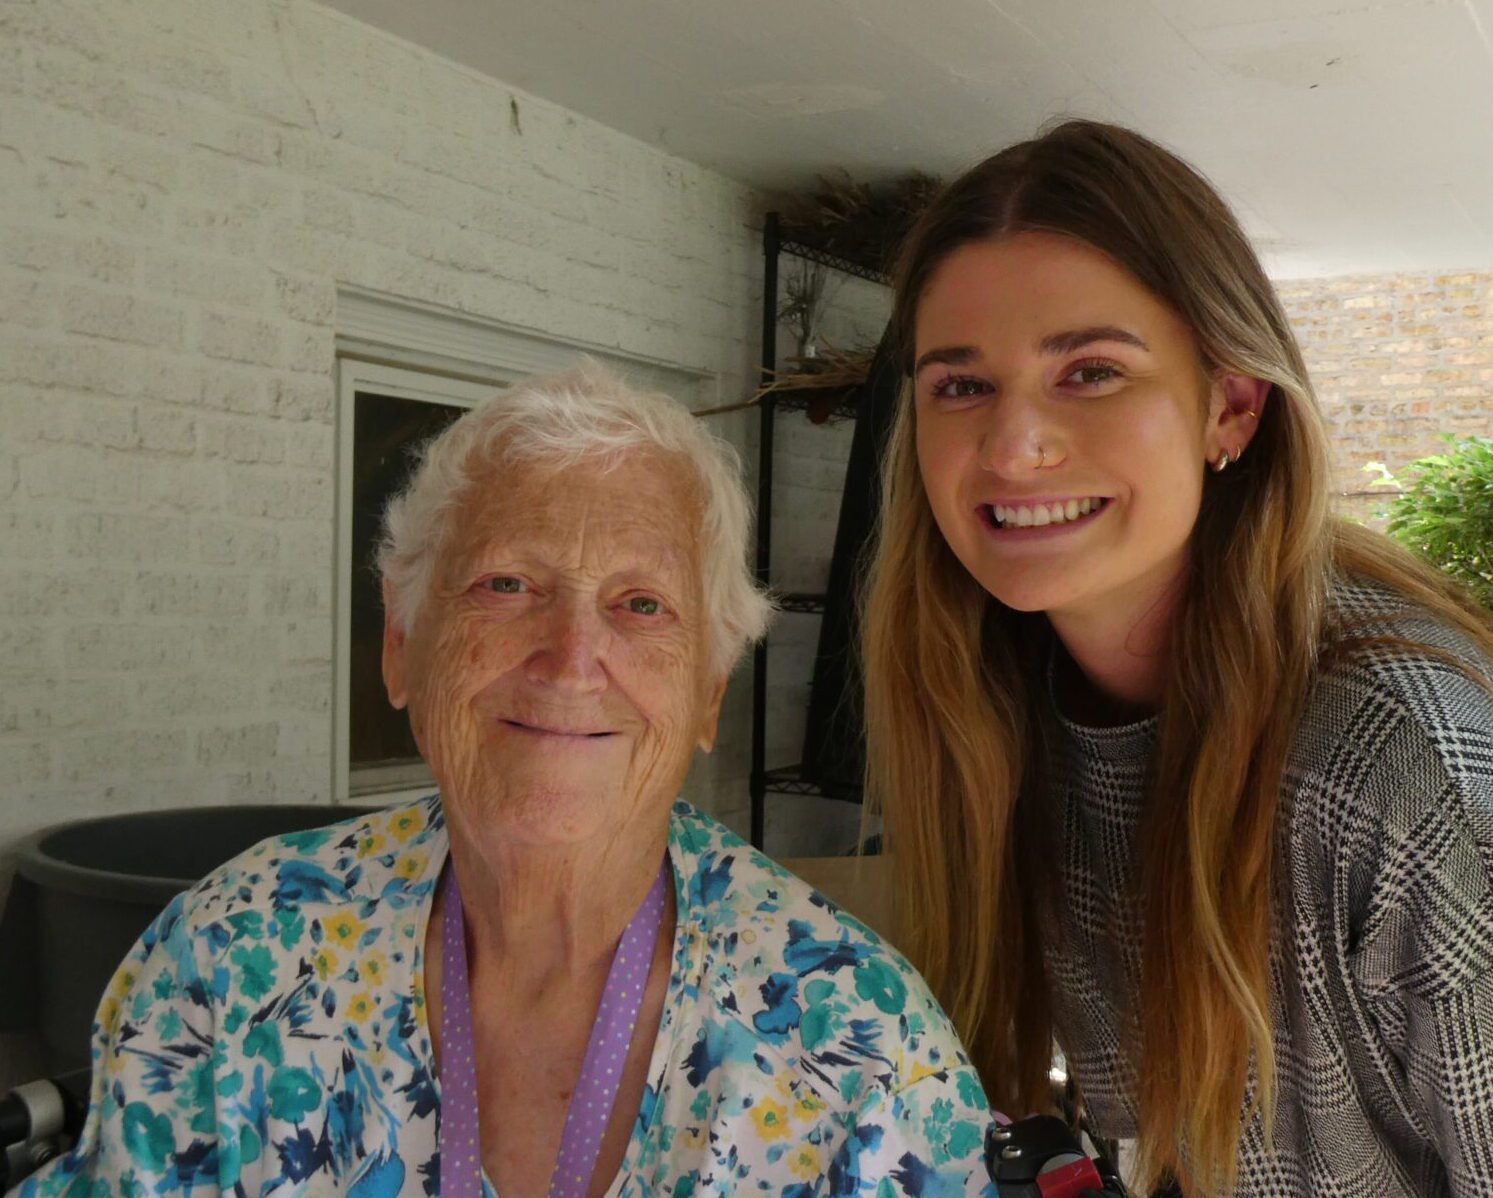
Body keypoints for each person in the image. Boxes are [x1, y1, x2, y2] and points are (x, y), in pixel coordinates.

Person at [860, 119, 1493, 1198]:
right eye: (960, 385)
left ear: (1229, 403)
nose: (1009, 445)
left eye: (1088, 371)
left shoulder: (1405, 766)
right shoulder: (1000, 710)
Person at [16, 361, 993, 1198]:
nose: (571, 658)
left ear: (706, 694)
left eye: (640, 603)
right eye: (506, 584)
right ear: (402, 646)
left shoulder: (862, 1053)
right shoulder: (228, 958)